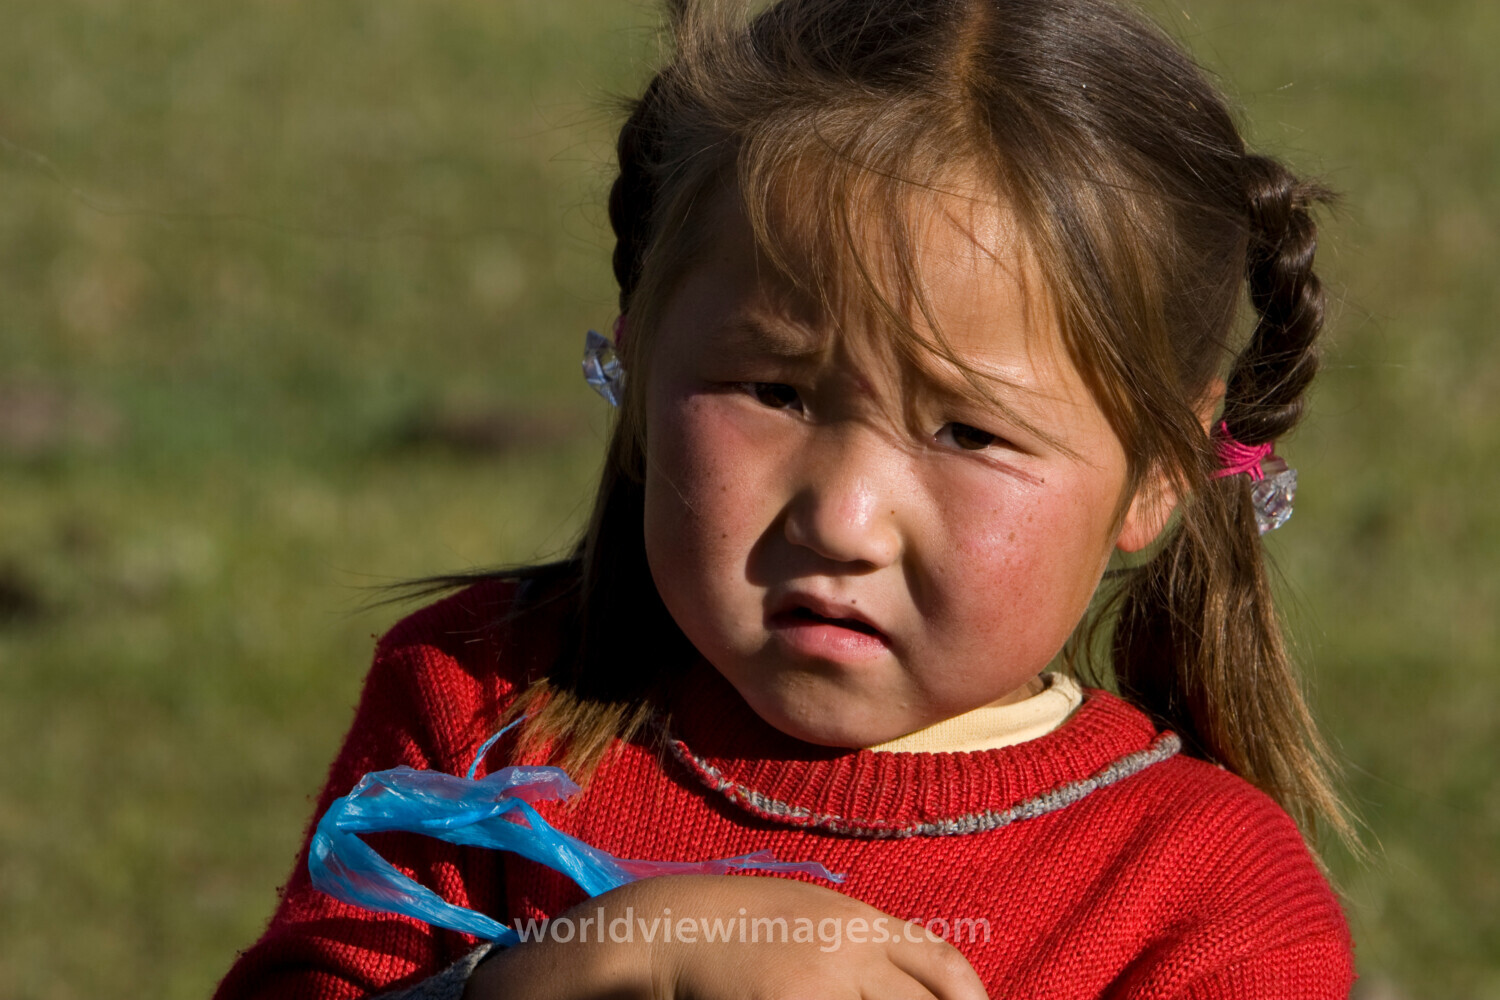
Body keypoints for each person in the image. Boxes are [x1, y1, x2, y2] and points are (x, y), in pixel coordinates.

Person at [215, 0, 1358, 996]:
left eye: (970, 431)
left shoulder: (1207, 903)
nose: (843, 518)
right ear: (642, 355)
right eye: (774, 390)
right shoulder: (475, 705)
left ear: (1157, 475)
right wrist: (580, 969)